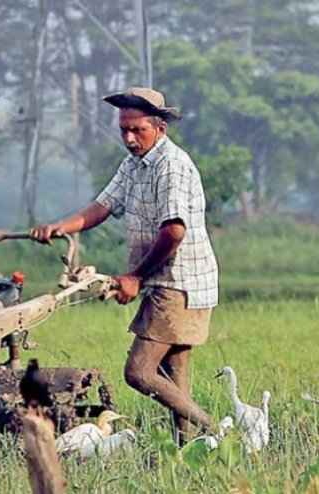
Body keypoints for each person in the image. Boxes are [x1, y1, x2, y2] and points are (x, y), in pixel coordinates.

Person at [30, 87, 219, 444]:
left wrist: (134, 277)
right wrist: (60, 227)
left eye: (137, 130)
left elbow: (174, 232)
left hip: (180, 282)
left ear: (159, 128)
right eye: (123, 131)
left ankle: (215, 430)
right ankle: (191, 450)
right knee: (173, 370)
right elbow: (103, 205)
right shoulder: (135, 162)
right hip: (163, 280)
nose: (129, 139)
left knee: (139, 371)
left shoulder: (171, 167)